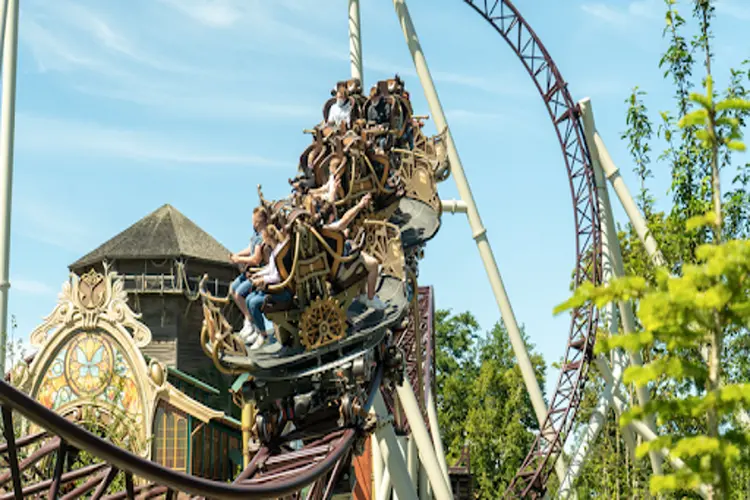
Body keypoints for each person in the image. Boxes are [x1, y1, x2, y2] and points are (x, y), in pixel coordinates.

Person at [321, 193, 386, 310]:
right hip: (343, 267)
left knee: (361, 253)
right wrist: (360, 205)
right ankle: (371, 298)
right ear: (331, 217)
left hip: (337, 263)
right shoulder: (329, 230)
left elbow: (340, 225)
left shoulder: (321, 229)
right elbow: (344, 221)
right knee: (374, 264)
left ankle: (362, 294)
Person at [244, 225, 293, 350]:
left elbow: (277, 277)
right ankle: (258, 331)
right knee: (249, 299)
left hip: (283, 292)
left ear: (267, 238)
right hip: (276, 289)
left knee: (254, 303)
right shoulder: (274, 252)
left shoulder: (279, 253)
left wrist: (262, 280)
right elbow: (269, 270)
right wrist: (257, 275)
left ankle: (263, 336)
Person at [229, 206, 269, 341]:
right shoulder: (256, 235)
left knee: (240, 293)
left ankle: (250, 322)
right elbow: (250, 249)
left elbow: (256, 259)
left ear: (258, 221)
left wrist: (239, 260)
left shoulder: (262, 236)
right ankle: (248, 320)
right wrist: (238, 254)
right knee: (233, 288)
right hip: (249, 272)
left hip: (257, 273)